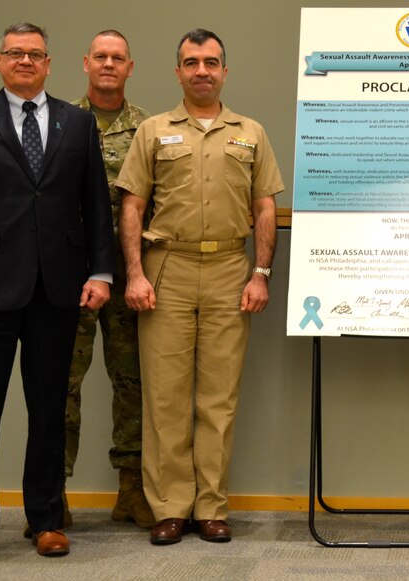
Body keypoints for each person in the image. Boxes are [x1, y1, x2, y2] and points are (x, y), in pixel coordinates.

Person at [0, 22, 115, 560]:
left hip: (58, 288)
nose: (25, 61)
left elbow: (96, 206)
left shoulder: (78, 124)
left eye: (35, 54)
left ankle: (47, 518)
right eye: (15, 53)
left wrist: (100, 272)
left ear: (50, 64)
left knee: (50, 410)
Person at [116, 28, 284, 546]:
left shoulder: (250, 132)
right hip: (167, 269)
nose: (202, 70)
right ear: (178, 72)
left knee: (218, 398)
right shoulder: (152, 131)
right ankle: (170, 507)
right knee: (165, 397)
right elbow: (132, 206)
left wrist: (260, 272)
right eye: (191, 62)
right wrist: (135, 273)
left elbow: (265, 207)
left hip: (231, 271)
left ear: (225, 71)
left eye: (211, 62)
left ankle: (211, 506)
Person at [58, 29, 154, 532]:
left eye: (118, 58)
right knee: (61, 386)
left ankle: (131, 490)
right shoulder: (59, 122)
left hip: (128, 275)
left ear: (130, 67)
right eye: (101, 57)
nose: (109, 65)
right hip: (68, 277)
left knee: (133, 383)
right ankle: (53, 494)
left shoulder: (149, 128)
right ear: (85, 63)